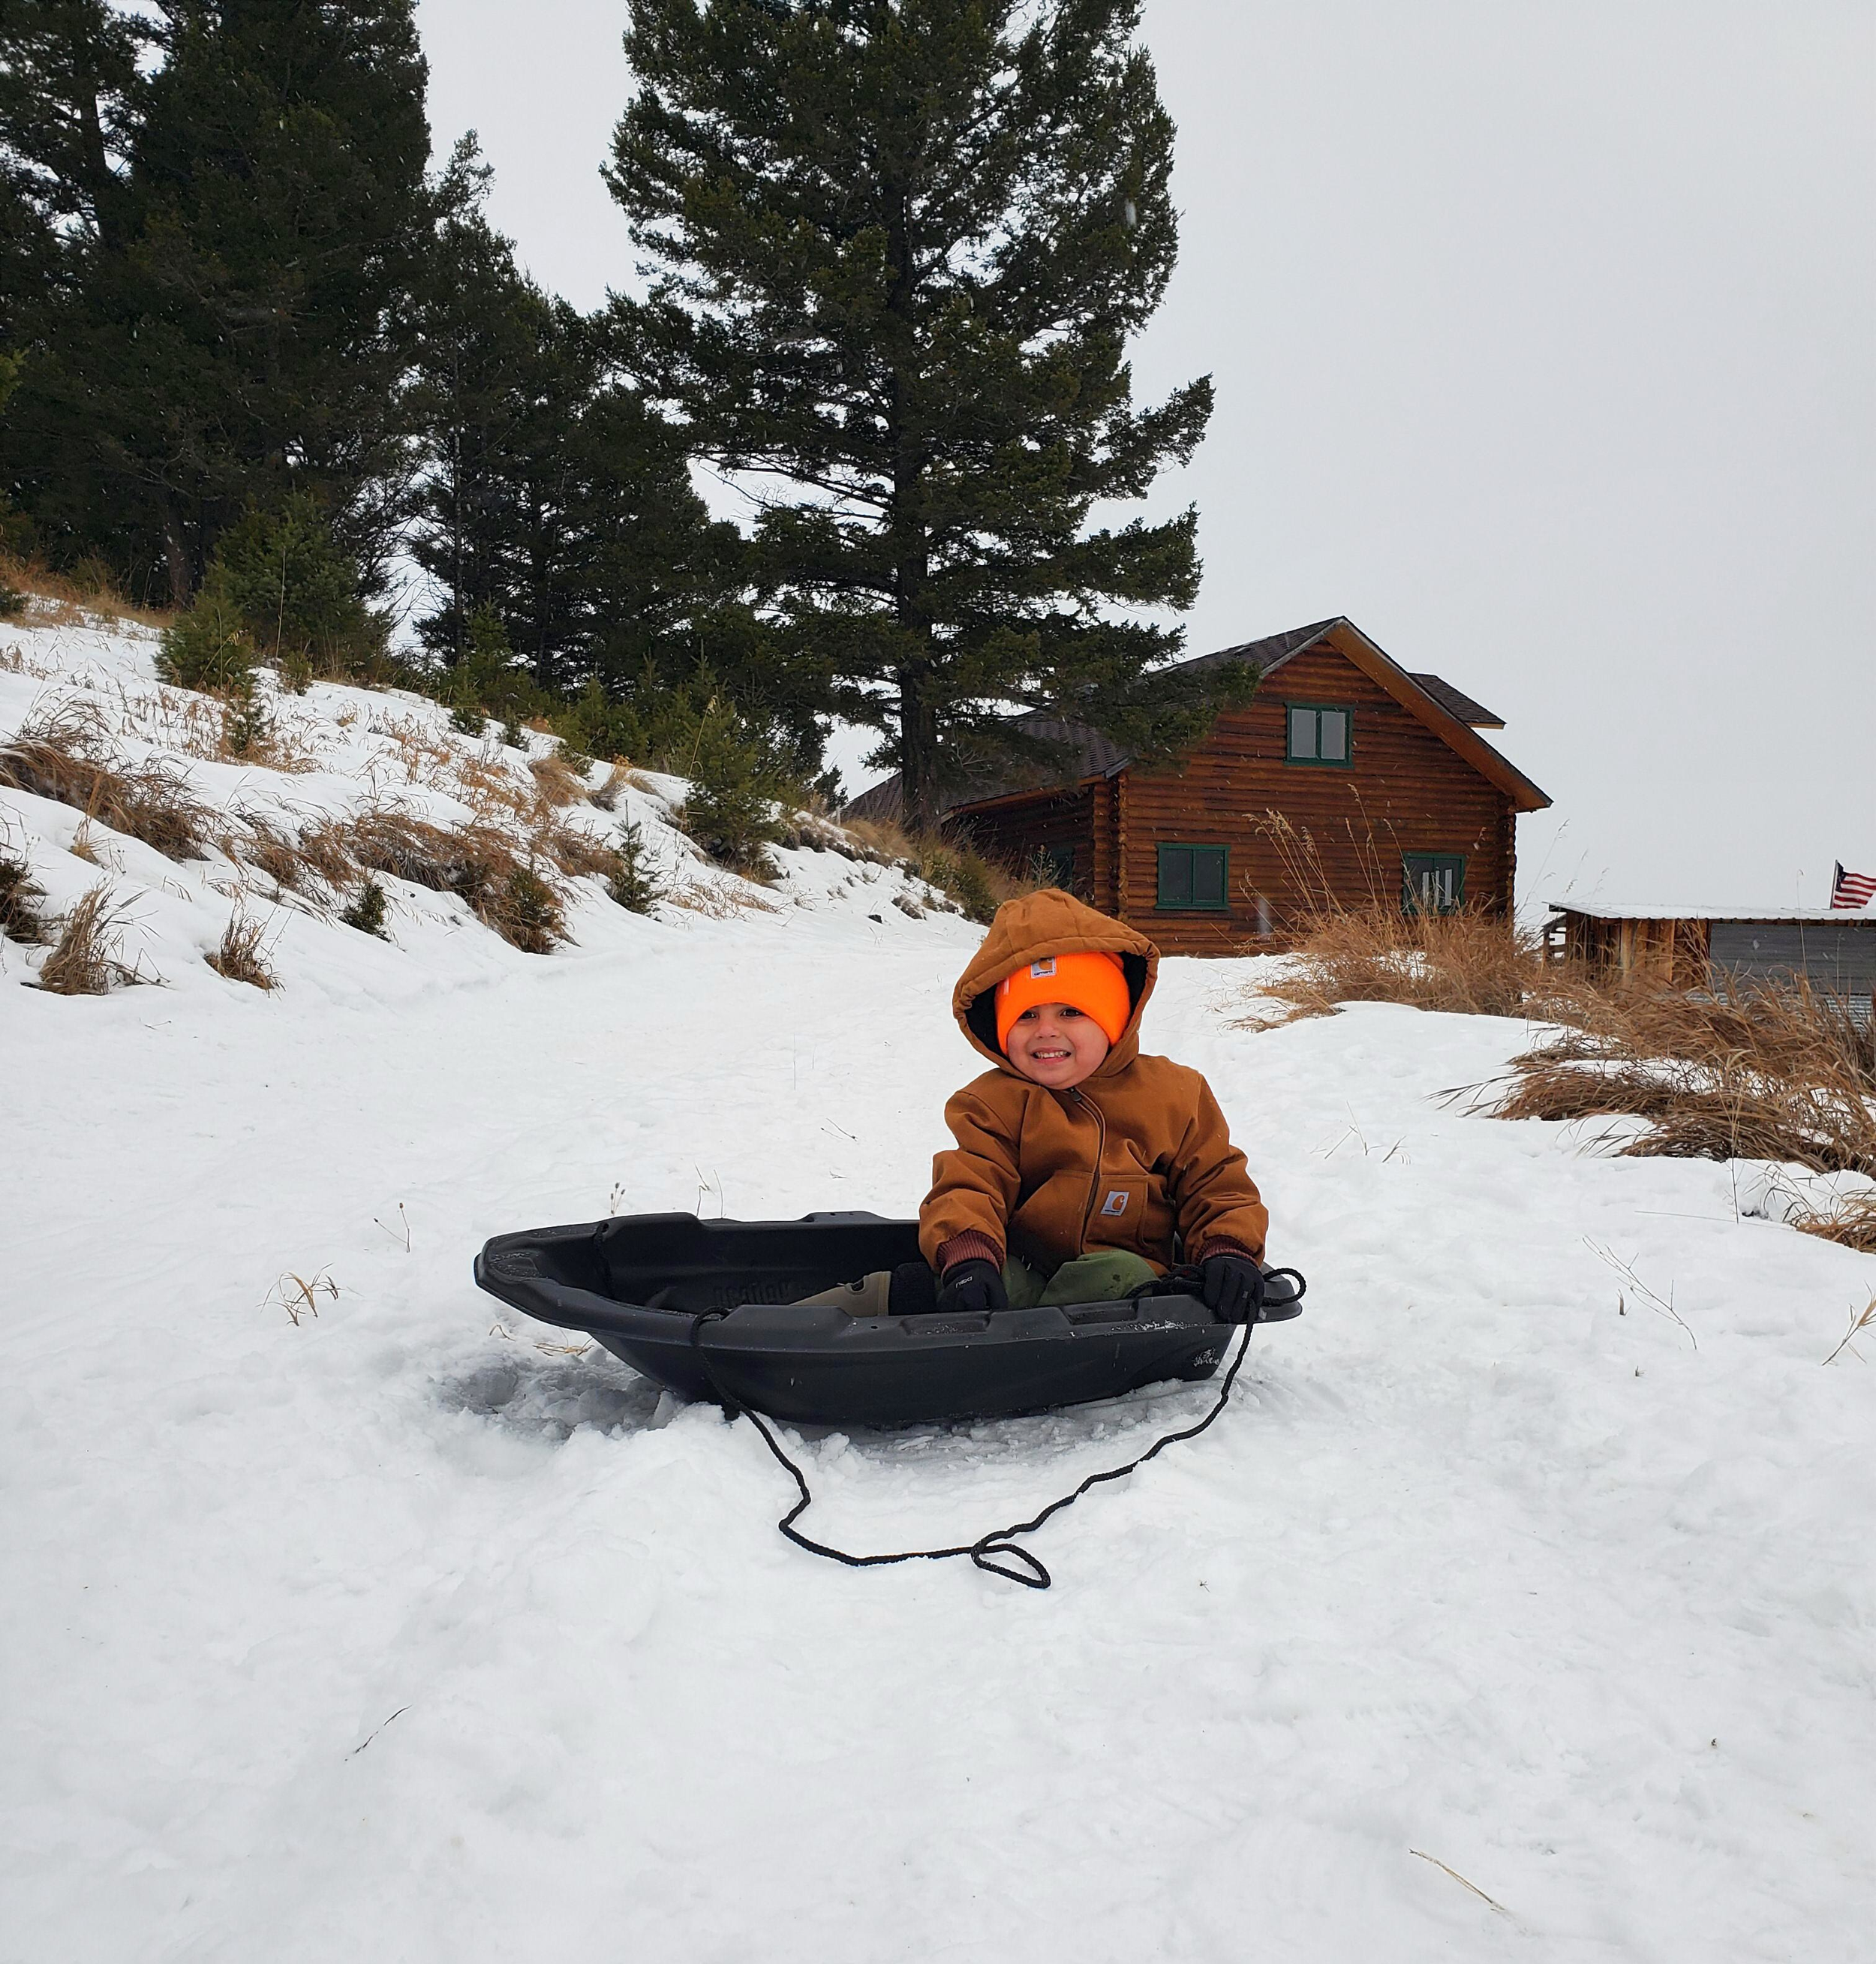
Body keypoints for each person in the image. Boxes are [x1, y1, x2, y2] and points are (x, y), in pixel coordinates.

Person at [917, 887, 1269, 1320]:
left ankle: (1025, 1343)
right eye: (1026, 1015)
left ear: (1115, 1019)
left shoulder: (1175, 1094)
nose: (1045, 1031)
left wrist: (1228, 1250)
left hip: (1132, 1289)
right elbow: (969, 1185)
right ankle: (860, 1313)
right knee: (947, 1281)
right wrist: (969, 1259)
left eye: (1070, 1012)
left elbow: (1217, 1185)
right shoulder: (991, 1103)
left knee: (1115, 1272)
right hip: (1024, 1276)